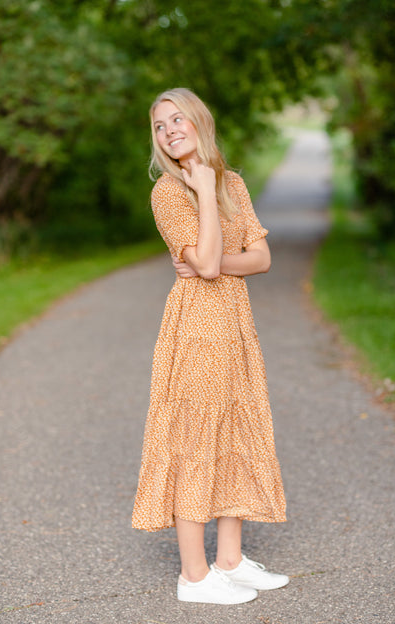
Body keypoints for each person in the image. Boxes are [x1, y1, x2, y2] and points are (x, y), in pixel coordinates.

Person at [132, 87, 288, 605]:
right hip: (197, 325)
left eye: (178, 119)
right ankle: (195, 577)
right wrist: (199, 193)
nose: (170, 130)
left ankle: (230, 560)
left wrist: (210, 256)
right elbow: (203, 262)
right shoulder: (169, 192)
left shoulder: (233, 182)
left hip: (235, 322)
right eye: (160, 125)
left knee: (237, 429)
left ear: (200, 121)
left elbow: (260, 258)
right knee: (197, 436)